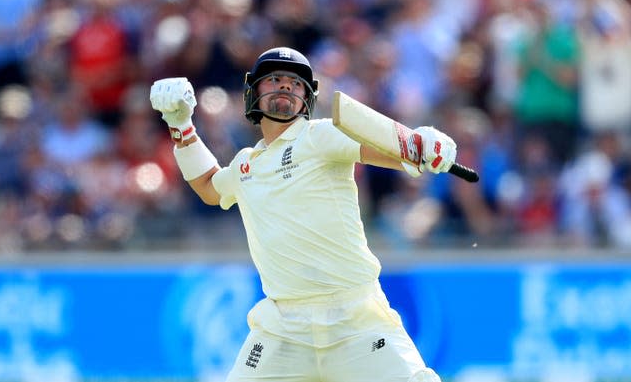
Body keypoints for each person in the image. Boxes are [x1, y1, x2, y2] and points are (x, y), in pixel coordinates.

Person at [150, 47, 457, 382]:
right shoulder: (245, 164)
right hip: (283, 329)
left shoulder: (320, 135)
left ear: (307, 98)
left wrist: (422, 149)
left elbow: (390, 153)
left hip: (355, 320)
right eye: (275, 80)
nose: (285, 88)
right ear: (253, 93)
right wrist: (181, 125)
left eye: (295, 84)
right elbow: (209, 187)